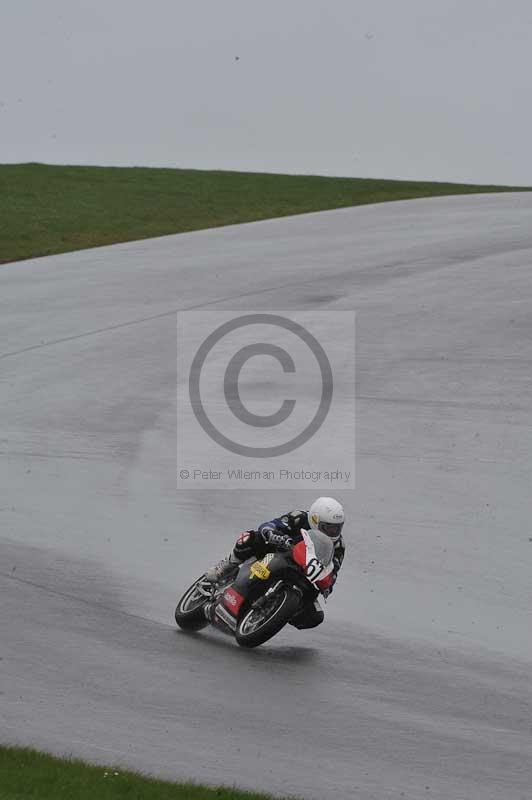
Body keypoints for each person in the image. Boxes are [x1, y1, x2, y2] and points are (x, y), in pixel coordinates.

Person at [205, 497, 345, 629]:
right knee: (251, 538)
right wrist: (273, 534)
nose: (334, 532)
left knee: (314, 616)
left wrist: (327, 584)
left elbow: (333, 571)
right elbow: (270, 525)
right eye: (329, 527)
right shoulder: (299, 517)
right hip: (278, 553)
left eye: (337, 528)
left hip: (305, 574)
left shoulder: (338, 545)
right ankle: (225, 567)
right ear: (315, 519)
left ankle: (274, 612)